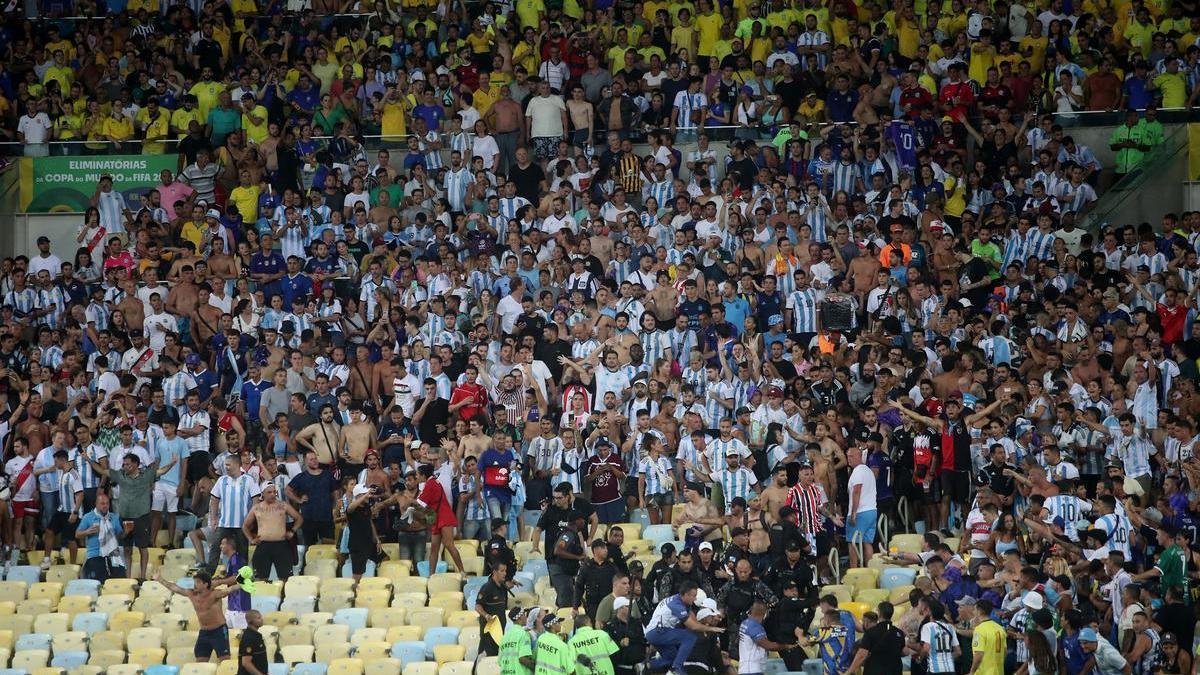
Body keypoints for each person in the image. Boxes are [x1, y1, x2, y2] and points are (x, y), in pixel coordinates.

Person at [645, 581, 725, 675]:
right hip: (658, 632)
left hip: (655, 633)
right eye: (694, 596)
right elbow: (693, 626)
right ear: (686, 595)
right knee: (690, 637)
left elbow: (693, 618)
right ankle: (675, 669)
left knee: (673, 657)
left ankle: (647, 665)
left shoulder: (680, 600)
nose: (695, 598)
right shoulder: (676, 605)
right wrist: (712, 629)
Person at [157, 571, 235, 662]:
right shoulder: (191, 594)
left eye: (198, 582)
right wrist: (160, 579)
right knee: (200, 661)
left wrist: (242, 584)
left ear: (205, 584)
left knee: (224, 660)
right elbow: (174, 588)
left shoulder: (215, 594)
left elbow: (231, 589)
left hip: (219, 631)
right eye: (195, 582)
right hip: (204, 632)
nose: (195, 584)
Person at [243, 481, 303, 581]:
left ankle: (283, 595)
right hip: (263, 545)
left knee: (285, 578)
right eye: (269, 492)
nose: (272, 495)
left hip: (281, 545)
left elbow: (299, 518)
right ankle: (263, 596)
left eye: (274, 492)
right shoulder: (257, 508)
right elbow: (245, 526)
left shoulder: (283, 505)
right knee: (261, 578)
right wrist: (251, 539)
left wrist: (292, 531)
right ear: (262, 493)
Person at [74, 492, 126, 582]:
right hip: (95, 555)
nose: (105, 506)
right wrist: (87, 531)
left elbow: (120, 536)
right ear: (96, 504)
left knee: (120, 578)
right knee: (99, 579)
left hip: (113, 554)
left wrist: (126, 531)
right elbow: (77, 534)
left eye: (107, 503)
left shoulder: (114, 517)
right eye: (102, 504)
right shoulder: (88, 517)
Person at [476, 560, 511, 657]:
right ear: (495, 572)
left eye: (505, 571)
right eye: (502, 571)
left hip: (500, 630)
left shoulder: (503, 587)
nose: (505, 573)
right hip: (489, 632)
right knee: (490, 658)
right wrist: (486, 615)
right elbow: (478, 606)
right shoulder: (487, 587)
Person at [236, 610, 269, 675]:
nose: (262, 619)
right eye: (258, 618)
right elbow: (246, 663)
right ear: (250, 621)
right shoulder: (249, 638)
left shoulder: (256, 635)